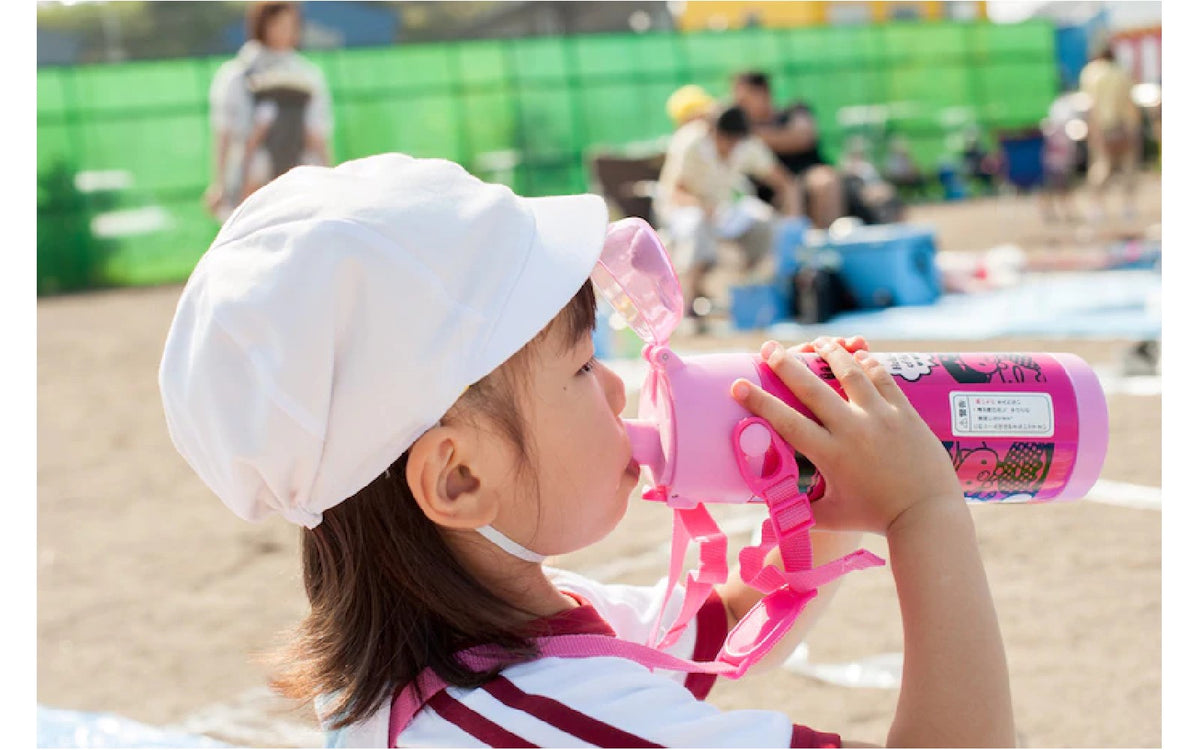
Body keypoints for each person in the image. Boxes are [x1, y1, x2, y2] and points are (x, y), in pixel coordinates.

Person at [159, 152, 1015, 747]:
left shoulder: (446, 651)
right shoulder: (547, 718)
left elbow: (695, 638)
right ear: (458, 477)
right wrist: (923, 511)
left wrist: (820, 495)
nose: (616, 389)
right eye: (579, 366)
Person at [654, 103, 801, 321]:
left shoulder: (746, 145)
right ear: (713, 132)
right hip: (681, 211)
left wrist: (792, 213)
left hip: (723, 212)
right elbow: (674, 192)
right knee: (695, 226)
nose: (730, 147)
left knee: (764, 224)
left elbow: (783, 181)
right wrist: (704, 208)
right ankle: (685, 310)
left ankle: (750, 299)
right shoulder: (689, 142)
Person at [204, 1, 333, 222]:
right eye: (277, 24)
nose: (285, 31)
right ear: (261, 25)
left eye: (290, 24)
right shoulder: (237, 75)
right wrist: (220, 183)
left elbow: (317, 133)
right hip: (251, 175)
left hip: (297, 173)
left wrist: (329, 176)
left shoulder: (307, 74)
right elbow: (224, 133)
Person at [731, 71, 846, 229]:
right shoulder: (739, 132)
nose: (740, 105)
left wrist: (754, 134)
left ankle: (825, 244)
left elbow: (803, 137)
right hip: (769, 191)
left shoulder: (794, 112)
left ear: (763, 93)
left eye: (745, 99)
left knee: (824, 181)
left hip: (805, 176)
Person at [1079, 43, 1141, 221]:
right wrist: (1132, 129)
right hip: (1124, 126)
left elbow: (1089, 105)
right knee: (1128, 167)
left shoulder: (1090, 73)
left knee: (1101, 166)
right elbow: (1130, 104)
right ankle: (1128, 207)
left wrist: (1092, 129)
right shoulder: (1121, 73)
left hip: (1102, 127)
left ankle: (1096, 207)